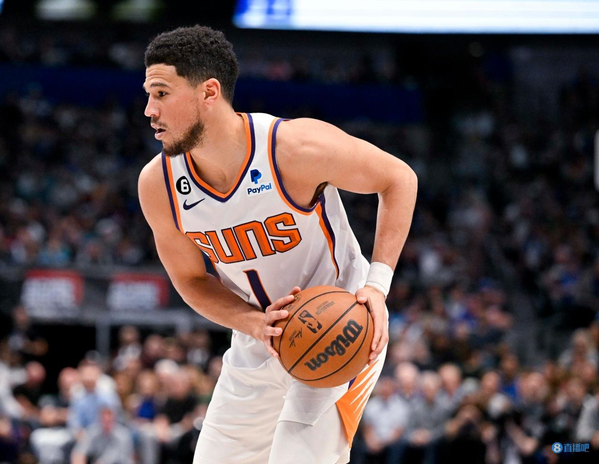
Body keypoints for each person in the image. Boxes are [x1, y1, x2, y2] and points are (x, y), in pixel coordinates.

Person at [137, 26, 417, 464]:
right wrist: (251, 323)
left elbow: (398, 178)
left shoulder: (293, 147)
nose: (149, 110)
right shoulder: (159, 185)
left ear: (209, 92)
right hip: (258, 338)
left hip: (338, 326)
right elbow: (191, 279)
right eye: (149, 95)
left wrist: (377, 287)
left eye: (161, 93)